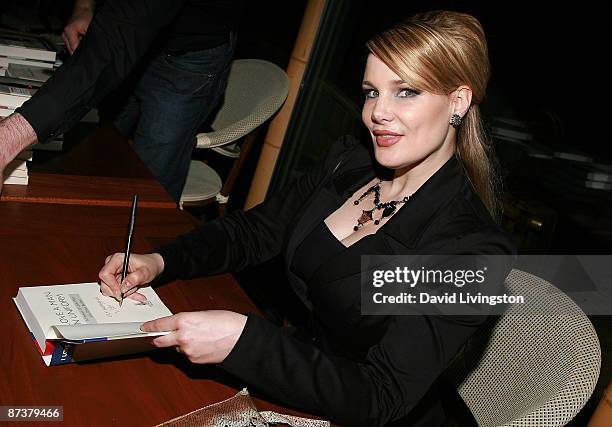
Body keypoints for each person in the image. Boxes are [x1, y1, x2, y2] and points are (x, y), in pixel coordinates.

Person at [98, 10, 516, 426]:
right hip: (297, 382)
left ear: (458, 102)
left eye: (405, 92)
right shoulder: (351, 162)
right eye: (371, 92)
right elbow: (255, 231)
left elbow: (381, 396)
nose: (378, 113)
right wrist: (161, 260)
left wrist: (246, 343)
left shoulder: (473, 251)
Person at [0, 0, 245, 201]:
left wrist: (9, 137)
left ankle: (147, 251)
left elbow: (116, 42)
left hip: (189, 56)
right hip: (132, 32)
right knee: (96, 146)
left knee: (150, 181)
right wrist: (84, 8)